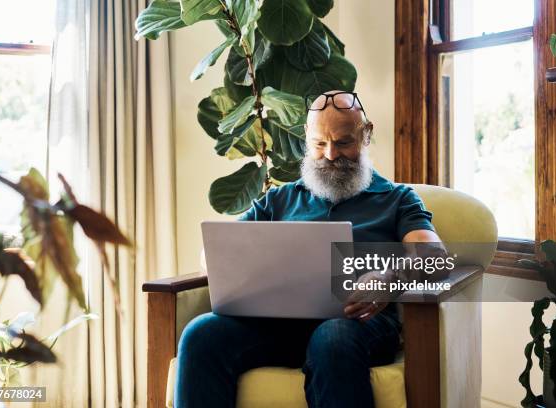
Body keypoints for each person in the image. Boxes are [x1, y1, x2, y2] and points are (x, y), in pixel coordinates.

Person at [175, 91, 442, 408]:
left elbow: (434, 258)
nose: (330, 155)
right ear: (306, 138)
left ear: (366, 134)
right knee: (201, 334)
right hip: (279, 326)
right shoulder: (280, 199)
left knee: (332, 339)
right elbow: (216, 251)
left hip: (359, 324)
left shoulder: (398, 199)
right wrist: (221, 265)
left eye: (343, 143)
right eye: (319, 143)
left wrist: (389, 278)